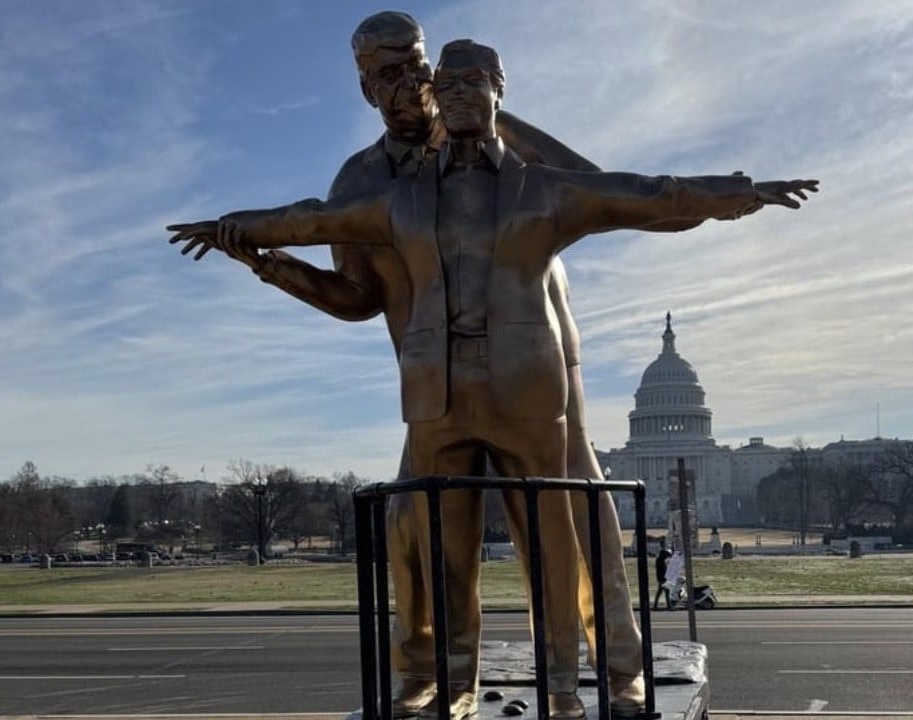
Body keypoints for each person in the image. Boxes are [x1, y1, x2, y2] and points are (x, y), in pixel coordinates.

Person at [171, 38, 816, 719]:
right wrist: (251, 247)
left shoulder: (527, 170)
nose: (417, 86)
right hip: (436, 381)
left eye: (424, 70)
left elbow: (623, 191)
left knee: (573, 523)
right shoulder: (374, 185)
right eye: (393, 75)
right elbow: (330, 255)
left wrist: (737, 193)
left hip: (537, 367)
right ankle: (437, 680)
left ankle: (602, 672)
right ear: (366, 88)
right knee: (420, 531)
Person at [654, 545, 673, 610]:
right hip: (663, 579)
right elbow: (663, 571)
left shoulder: (659, 560)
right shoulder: (661, 561)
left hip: (661, 578)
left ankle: (655, 606)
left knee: (659, 592)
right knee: (667, 592)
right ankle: (669, 606)